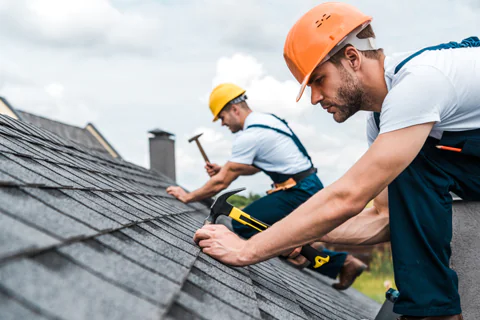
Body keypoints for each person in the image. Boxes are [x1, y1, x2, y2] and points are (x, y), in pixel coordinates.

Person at [193, 3, 480, 320]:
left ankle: (435, 313)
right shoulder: (385, 121)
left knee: (414, 160)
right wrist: (304, 234)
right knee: (412, 163)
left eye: (318, 80)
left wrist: (248, 249)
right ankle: (435, 310)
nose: (315, 98)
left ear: (352, 59)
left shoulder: (419, 84)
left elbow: (349, 195)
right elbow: (385, 218)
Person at [167, 83, 367, 290]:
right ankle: (316, 253)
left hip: (297, 191)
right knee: (267, 225)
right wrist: (225, 169)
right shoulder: (267, 121)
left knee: (243, 224)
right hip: (305, 186)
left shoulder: (250, 135)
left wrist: (187, 196)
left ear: (234, 110)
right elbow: (253, 167)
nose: (222, 124)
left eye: (222, 117)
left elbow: (221, 182)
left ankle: (316, 255)